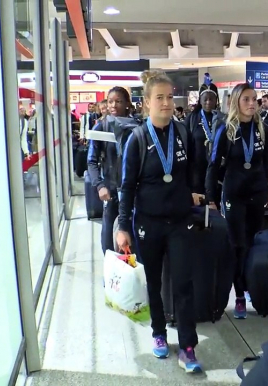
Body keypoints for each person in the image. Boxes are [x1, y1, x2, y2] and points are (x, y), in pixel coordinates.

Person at [115, 71, 204, 373]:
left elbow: (190, 171)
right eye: (160, 98)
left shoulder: (182, 133)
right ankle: (158, 333)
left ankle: (189, 346)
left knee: (183, 283)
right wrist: (123, 225)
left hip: (180, 222)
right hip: (148, 224)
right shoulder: (137, 139)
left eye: (170, 96)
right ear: (147, 103)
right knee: (153, 282)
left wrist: (194, 195)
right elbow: (126, 186)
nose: (167, 103)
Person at [206, 82, 268, 320]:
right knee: (238, 244)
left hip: (257, 193)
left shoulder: (262, 128)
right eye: (246, 99)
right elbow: (213, 166)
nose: (251, 103)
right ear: (236, 102)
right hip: (234, 195)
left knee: (254, 242)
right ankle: (239, 295)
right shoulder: (226, 129)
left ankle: (252, 288)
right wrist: (211, 198)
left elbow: (265, 162)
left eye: (254, 99)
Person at [87, 86, 134, 254]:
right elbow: (92, 161)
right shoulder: (101, 127)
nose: (113, 105)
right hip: (111, 192)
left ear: (127, 104)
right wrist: (100, 186)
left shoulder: (137, 128)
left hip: (134, 193)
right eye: (110, 101)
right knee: (108, 242)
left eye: (118, 101)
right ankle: (111, 279)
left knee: (132, 240)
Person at [186, 88, 222, 200]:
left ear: (216, 100)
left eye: (211, 99)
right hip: (197, 166)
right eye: (205, 99)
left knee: (216, 197)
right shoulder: (191, 119)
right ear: (200, 100)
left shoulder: (222, 118)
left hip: (218, 166)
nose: (208, 102)